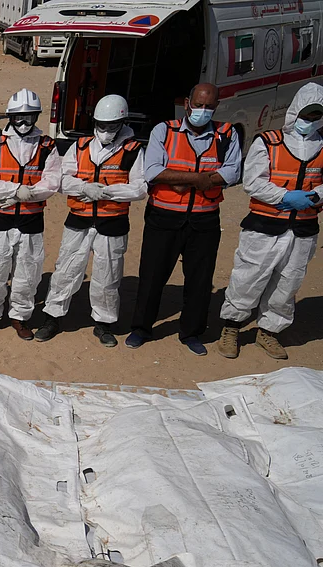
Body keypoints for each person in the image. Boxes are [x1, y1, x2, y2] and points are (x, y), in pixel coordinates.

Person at [127, 83, 241, 355]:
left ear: (216, 107)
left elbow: (233, 173)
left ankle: (191, 332)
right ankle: (142, 328)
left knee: (200, 280)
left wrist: (182, 180)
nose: (202, 111)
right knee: (152, 276)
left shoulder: (226, 134)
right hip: (164, 217)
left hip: (204, 219)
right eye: (198, 105)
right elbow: (153, 171)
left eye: (209, 107)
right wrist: (198, 179)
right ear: (187, 103)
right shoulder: (164, 131)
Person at [218, 82, 323, 360]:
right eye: (305, 115)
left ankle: (269, 331)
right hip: (265, 226)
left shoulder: (322, 146)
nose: (309, 122)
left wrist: (314, 196)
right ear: (294, 112)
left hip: (302, 229)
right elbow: (253, 182)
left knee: (288, 282)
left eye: (315, 117)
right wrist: (287, 197)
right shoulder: (268, 142)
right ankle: (232, 327)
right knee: (249, 276)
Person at [34, 94, 147, 346]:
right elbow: (63, 179)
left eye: (112, 126)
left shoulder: (132, 150)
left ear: (122, 124)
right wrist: (86, 188)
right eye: (101, 125)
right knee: (66, 269)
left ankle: (104, 323)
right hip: (79, 220)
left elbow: (139, 188)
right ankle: (53, 316)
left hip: (112, 222)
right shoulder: (81, 146)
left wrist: (107, 191)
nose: (105, 132)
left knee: (108, 275)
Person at [0, 89, 61, 340]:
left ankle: (19, 317)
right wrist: (15, 190)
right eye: (18, 118)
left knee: (28, 273)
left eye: (29, 118)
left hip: (31, 219)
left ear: (36, 117)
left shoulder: (47, 146)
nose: (23, 123)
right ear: (9, 118)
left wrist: (28, 194)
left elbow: (52, 181)